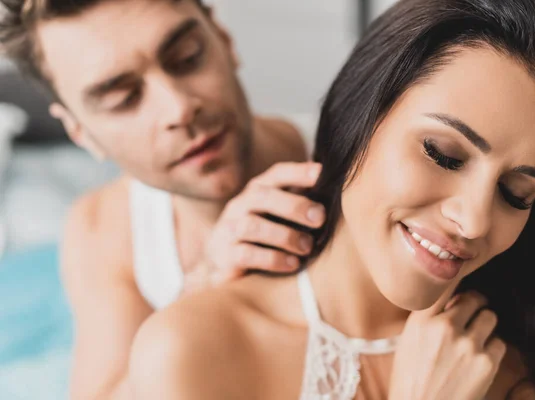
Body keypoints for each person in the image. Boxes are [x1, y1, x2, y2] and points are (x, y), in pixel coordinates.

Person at [128, 0, 535, 398]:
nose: (474, 220)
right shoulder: (193, 350)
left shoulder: (519, 362)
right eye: (442, 154)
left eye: (516, 195)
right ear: (360, 117)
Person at [0, 1, 327, 399]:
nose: (179, 108)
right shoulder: (105, 229)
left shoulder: (359, 160)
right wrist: (204, 289)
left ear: (224, 41)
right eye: (123, 98)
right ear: (80, 133)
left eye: (187, 58)